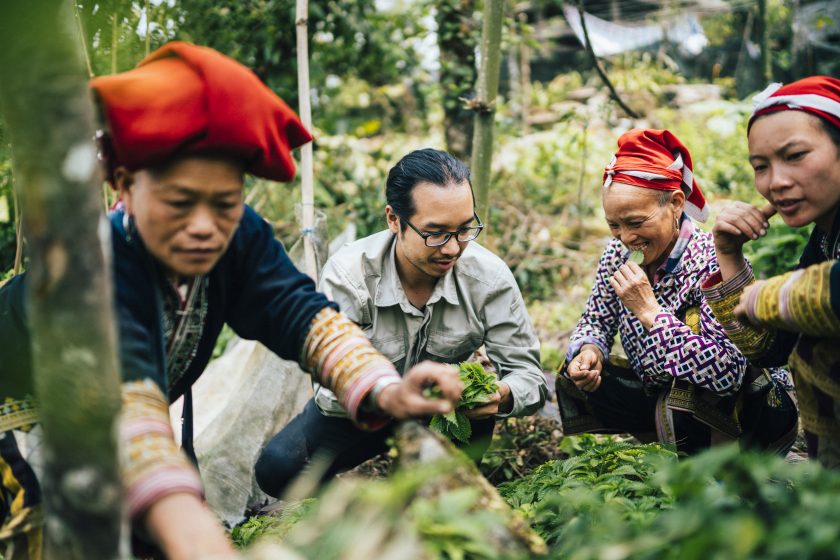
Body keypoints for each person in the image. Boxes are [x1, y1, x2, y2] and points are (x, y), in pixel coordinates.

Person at [0, 43, 462, 560]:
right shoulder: (93, 268)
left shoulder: (238, 237)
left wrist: (387, 390)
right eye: (180, 203)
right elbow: (127, 413)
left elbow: (304, 318)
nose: (204, 226)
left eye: (224, 203)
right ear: (126, 185)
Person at [255, 148, 548, 498]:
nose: (453, 248)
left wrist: (500, 395)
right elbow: (333, 394)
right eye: (436, 233)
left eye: (465, 229)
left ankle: (439, 492)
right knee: (279, 467)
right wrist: (391, 396)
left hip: (447, 414)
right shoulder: (351, 275)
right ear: (394, 219)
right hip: (363, 412)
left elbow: (529, 376)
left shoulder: (489, 278)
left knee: (439, 492)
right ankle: (346, 512)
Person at [556, 129, 797, 455]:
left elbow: (727, 374)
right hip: (659, 391)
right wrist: (590, 350)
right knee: (574, 377)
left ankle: (719, 467)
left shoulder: (712, 259)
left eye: (636, 222)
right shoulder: (617, 253)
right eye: (614, 225)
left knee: (686, 381)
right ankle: (664, 443)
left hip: (744, 410)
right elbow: (596, 319)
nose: (626, 237)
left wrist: (651, 314)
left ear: (675, 204)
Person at [702, 76, 840, 467]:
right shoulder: (826, 239)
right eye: (761, 166)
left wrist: (769, 294)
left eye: (795, 155)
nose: (775, 182)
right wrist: (727, 254)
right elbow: (772, 349)